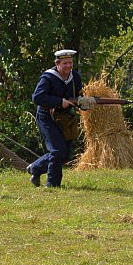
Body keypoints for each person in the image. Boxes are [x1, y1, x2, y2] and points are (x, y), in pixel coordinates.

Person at [28, 50, 94, 188]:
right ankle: (52, 185)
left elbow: (77, 97)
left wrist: (86, 103)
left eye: (70, 63)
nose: (69, 66)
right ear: (57, 64)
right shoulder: (48, 78)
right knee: (58, 151)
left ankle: (36, 168)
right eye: (65, 63)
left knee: (64, 155)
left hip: (65, 118)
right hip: (47, 117)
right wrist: (59, 101)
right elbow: (37, 98)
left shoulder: (75, 77)